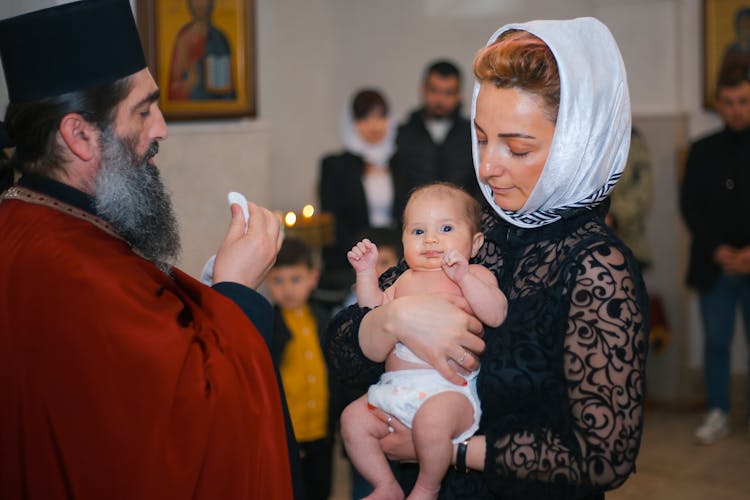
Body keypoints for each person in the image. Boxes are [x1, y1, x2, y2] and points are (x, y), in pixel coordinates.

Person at [327, 17, 649, 499]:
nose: (488, 166)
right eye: (480, 139)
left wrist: (448, 448)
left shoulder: (597, 266)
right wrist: (393, 318)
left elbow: (604, 458)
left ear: (575, 147)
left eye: (517, 147)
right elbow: (345, 352)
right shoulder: (474, 232)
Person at [0, 1, 300, 498]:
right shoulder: (66, 271)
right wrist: (236, 294)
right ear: (79, 135)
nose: (161, 127)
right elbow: (186, 432)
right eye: (143, 110)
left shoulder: (43, 223)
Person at [341, 182, 507, 500]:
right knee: (352, 419)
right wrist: (366, 274)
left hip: (448, 392)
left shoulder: (477, 274)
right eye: (418, 232)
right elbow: (373, 311)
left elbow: (496, 314)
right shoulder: (403, 280)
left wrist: (465, 278)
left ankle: (426, 488)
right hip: (394, 388)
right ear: (403, 239)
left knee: (431, 426)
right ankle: (385, 484)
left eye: (445, 228)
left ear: (475, 244)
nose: (430, 239)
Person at [680, 63, 750, 445]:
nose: (736, 109)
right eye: (729, 102)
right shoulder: (703, 150)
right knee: (717, 342)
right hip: (716, 265)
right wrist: (719, 250)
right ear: (718, 104)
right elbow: (690, 206)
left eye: (743, 101)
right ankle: (718, 410)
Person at [265, 238, 337, 500]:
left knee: (321, 489)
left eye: (296, 279)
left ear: (313, 278)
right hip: (287, 432)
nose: (287, 289)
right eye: (278, 280)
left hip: (321, 429)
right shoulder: (269, 323)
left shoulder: (323, 319)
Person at [319, 88, 408, 292]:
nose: (374, 125)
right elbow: (333, 220)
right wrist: (362, 255)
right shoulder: (334, 165)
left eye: (380, 117)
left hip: (398, 257)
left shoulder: (402, 162)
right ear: (351, 123)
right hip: (352, 258)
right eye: (365, 118)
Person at [395, 60, 480, 202]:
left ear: (459, 95)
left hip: (463, 216)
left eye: (448, 92)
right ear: (422, 89)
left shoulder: (473, 134)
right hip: (412, 217)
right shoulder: (401, 135)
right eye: (434, 90)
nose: (440, 99)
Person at [606, 127, 653, 271]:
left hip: (626, 241)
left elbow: (642, 193)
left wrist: (613, 217)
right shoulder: (572, 130)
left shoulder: (630, 137)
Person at [168, 0, 235, 101]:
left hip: (216, 109)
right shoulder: (182, 39)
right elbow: (173, 87)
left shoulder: (219, 39)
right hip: (190, 109)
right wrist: (188, 85)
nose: (200, 4)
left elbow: (225, 90)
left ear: (211, 4)